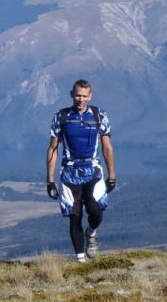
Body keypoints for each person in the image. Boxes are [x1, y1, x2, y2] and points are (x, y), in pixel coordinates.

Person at [45, 79, 116, 262]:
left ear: (90, 96)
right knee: (74, 216)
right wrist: (50, 180)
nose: (81, 99)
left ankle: (91, 233)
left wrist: (112, 175)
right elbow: (53, 148)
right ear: (71, 94)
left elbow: (107, 147)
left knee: (97, 210)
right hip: (69, 172)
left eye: (84, 96)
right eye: (78, 95)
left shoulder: (99, 115)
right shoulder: (62, 117)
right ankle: (81, 260)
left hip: (93, 170)